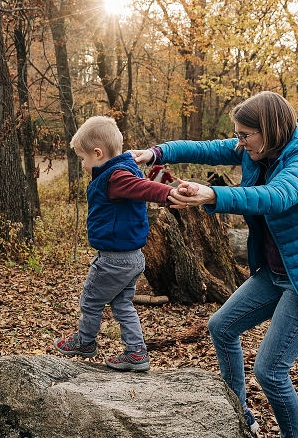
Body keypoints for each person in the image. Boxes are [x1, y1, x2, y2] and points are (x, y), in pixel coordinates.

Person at [130, 91, 298, 437]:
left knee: (270, 371)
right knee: (221, 327)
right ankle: (241, 415)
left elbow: (275, 197)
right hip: (277, 271)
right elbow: (205, 148)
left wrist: (213, 194)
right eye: (237, 135)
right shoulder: (257, 146)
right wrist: (157, 152)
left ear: (269, 129)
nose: (239, 143)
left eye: (244, 135)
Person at [54, 116, 197, 372]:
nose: (83, 164)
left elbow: (143, 188)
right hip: (132, 258)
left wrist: (168, 193)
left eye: (83, 158)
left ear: (98, 154)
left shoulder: (116, 177)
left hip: (113, 259)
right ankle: (136, 353)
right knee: (122, 305)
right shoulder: (124, 169)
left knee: (90, 300)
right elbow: (140, 184)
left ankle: (85, 342)